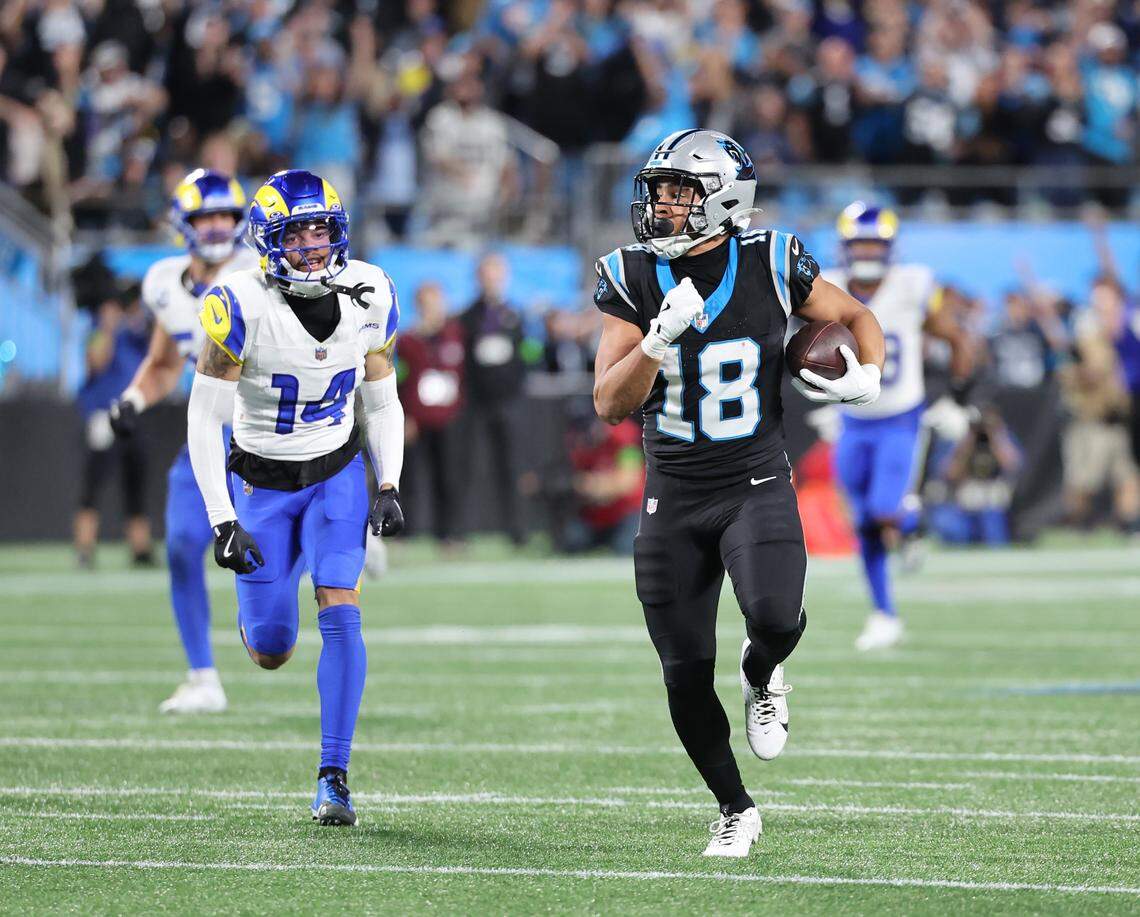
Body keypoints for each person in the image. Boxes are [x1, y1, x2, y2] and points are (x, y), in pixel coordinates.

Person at [592, 129, 885, 858]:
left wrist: (868, 374)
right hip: (674, 492)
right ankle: (734, 806)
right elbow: (607, 401)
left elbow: (857, 317)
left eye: (679, 192)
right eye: (657, 190)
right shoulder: (630, 274)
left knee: (776, 618)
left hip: (755, 479)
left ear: (724, 197)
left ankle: (765, 671)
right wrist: (655, 342)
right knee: (684, 669)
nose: (661, 205)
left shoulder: (772, 258)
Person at [186, 169, 405, 827]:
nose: (312, 244)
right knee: (272, 648)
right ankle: (276, 585)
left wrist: (388, 480)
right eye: (296, 232)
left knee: (341, 607)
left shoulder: (371, 291)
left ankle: (333, 777)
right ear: (267, 240)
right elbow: (203, 419)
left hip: (336, 474)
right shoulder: (238, 304)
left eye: (321, 229)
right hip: (261, 482)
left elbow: (382, 395)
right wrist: (222, 520)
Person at [107, 168, 257, 714]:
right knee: (180, 545)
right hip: (211, 429)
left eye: (224, 215)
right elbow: (165, 362)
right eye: (204, 216)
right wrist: (132, 400)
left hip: (269, 432)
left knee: (275, 566)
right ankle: (203, 677)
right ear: (182, 224)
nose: (216, 226)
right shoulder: (164, 284)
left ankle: (348, 541)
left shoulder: (260, 274)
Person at [823, 202, 973, 651]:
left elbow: (955, 338)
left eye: (875, 243)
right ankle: (884, 612)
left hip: (899, 417)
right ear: (845, 247)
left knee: (885, 507)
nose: (867, 251)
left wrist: (956, 398)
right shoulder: (826, 285)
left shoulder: (914, 284)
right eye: (860, 243)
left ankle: (909, 521)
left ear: (891, 248)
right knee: (864, 520)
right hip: (851, 418)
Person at [74, 288, 153, 568]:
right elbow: (95, 362)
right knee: (94, 484)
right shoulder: (98, 331)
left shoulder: (134, 334)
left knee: (136, 483)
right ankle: (84, 548)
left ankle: (140, 549)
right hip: (104, 415)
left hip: (132, 413)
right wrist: (107, 327)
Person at [459, 252, 527, 544]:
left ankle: (517, 530)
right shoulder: (467, 317)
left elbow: (527, 353)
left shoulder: (514, 316)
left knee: (511, 466)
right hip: (476, 402)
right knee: (469, 466)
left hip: (509, 402)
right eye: (487, 274)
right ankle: (463, 530)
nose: (492, 281)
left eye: (496, 274)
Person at [397, 281, 465, 544]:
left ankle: (449, 533)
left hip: (449, 418)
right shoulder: (408, 341)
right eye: (426, 304)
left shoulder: (455, 335)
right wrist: (406, 417)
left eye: (435, 302)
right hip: (418, 419)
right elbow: (402, 381)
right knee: (411, 478)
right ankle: (405, 533)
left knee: (448, 477)